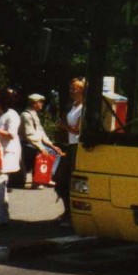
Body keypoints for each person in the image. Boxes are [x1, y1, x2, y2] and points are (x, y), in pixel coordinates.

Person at [0, 88, 22, 228]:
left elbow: (11, 134)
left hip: (9, 152)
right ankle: (3, 218)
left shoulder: (12, 115)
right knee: (1, 184)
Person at [53, 78, 85, 225]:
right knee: (60, 179)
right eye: (71, 88)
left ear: (82, 90)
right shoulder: (72, 106)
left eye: (75, 89)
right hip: (69, 144)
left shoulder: (84, 107)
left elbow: (78, 129)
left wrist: (64, 126)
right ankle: (67, 211)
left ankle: (71, 214)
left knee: (68, 179)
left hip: (78, 146)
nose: (72, 91)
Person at [20, 92, 61, 188]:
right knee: (48, 152)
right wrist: (42, 148)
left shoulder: (34, 115)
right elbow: (30, 135)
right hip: (27, 143)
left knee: (56, 151)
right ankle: (44, 178)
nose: (42, 104)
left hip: (35, 142)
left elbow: (41, 133)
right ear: (34, 103)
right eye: (40, 102)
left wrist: (52, 145)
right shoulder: (26, 115)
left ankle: (46, 177)